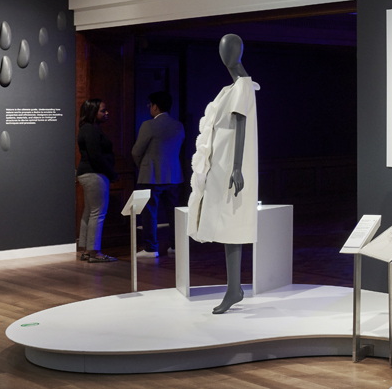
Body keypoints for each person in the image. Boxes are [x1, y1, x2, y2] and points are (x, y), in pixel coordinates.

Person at [188, 35, 259, 315]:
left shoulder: (242, 86)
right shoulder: (231, 87)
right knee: (227, 226)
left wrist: (237, 167)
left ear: (239, 51)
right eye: (222, 49)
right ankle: (234, 287)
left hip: (230, 166)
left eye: (229, 49)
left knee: (232, 224)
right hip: (221, 165)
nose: (224, 54)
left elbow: (241, 124)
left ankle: (234, 289)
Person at [131, 90, 185, 257]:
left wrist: (143, 166)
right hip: (174, 175)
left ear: (155, 106)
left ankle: (151, 248)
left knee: (150, 213)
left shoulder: (149, 125)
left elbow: (136, 151)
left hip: (152, 175)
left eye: (150, 105)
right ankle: (176, 246)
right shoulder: (178, 125)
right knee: (174, 213)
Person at [76, 98, 118, 263]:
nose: (106, 113)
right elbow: (96, 157)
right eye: (103, 110)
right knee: (97, 213)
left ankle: (87, 250)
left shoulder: (87, 129)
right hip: (94, 174)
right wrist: (112, 174)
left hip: (89, 174)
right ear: (93, 112)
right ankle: (94, 252)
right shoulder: (91, 130)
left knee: (89, 212)